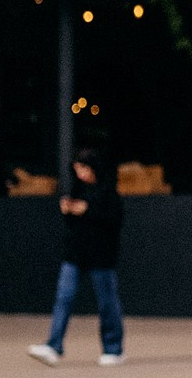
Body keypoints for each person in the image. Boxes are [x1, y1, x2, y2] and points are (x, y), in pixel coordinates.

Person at [29, 142, 125, 366]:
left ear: (94, 168)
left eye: (84, 168)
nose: (81, 173)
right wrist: (69, 212)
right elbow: (74, 225)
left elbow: (113, 220)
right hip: (75, 255)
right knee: (63, 298)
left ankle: (113, 348)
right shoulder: (77, 190)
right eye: (78, 168)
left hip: (101, 257)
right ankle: (54, 346)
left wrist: (88, 210)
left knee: (107, 303)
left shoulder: (108, 192)